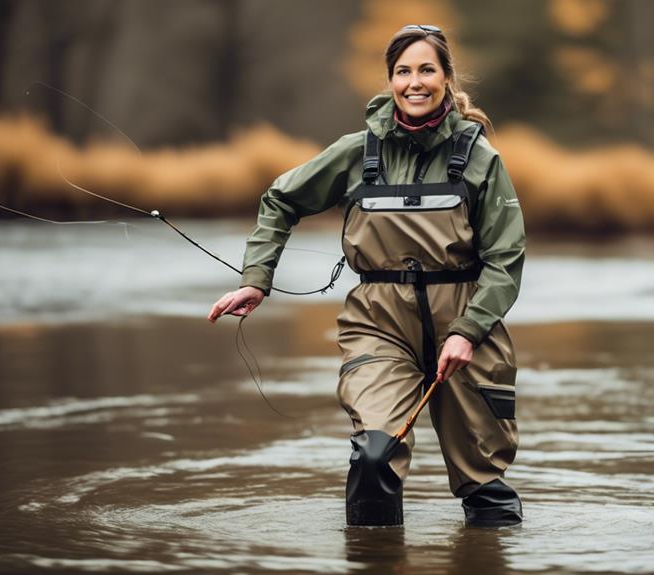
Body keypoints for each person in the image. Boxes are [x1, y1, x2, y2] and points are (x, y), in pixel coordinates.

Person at [207, 24, 525, 527]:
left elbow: (506, 260)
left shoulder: (481, 159)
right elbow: (281, 198)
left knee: (484, 487)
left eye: (426, 70)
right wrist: (256, 278)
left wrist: (468, 331)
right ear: (390, 80)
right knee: (374, 457)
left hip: (468, 327)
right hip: (378, 322)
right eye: (403, 72)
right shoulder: (358, 152)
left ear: (446, 78)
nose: (414, 82)